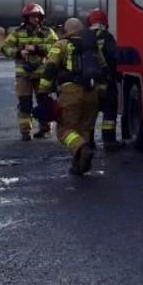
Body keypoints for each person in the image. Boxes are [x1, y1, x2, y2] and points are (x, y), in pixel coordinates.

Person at [38, 18, 100, 175]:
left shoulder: (60, 45)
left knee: (65, 130)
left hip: (71, 92)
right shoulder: (93, 46)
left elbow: (50, 69)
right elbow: (103, 68)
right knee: (84, 128)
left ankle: (83, 149)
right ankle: (79, 165)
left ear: (66, 30)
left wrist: (43, 91)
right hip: (93, 92)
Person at [0, 3, 58, 141]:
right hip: (23, 74)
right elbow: (5, 49)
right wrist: (19, 52)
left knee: (44, 101)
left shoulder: (47, 32)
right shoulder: (18, 33)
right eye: (32, 17)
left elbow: (56, 47)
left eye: (37, 17)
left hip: (42, 74)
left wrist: (36, 48)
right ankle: (25, 131)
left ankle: (44, 129)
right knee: (25, 103)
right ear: (26, 18)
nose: (35, 19)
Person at [85, 9, 123, 149]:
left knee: (90, 112)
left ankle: (88, 141)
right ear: (105, 22)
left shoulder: (84, 36)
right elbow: (114, 55)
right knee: (109, 111)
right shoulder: (106, 36)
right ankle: (109, 141)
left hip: (88, 83)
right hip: (106, 81)